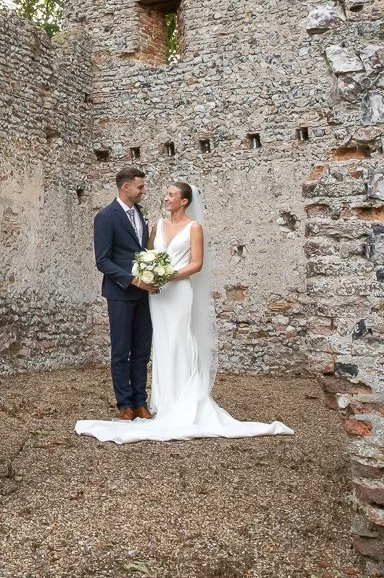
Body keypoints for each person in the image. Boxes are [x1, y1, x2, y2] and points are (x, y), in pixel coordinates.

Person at [77, 182, 294, 442]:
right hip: (156, 296)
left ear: (184, 201)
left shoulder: (194, 227)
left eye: (171, 195)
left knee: (180, 340)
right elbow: (145, 256)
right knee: (159, 344)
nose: (165, 197)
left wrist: (169, 275)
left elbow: (197, 264)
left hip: (178, 292)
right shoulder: (156, 225)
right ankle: (158, 402)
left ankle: (183, 400)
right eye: (165, 193)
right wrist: (148, 275)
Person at [91, 166, 153, 420]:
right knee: (121, 350)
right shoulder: (106, 217)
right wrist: (132, 280)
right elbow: (102, 261)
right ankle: (124, 405)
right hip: (120, 292)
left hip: (144, 293)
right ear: (125, 187)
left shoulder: (140, 214)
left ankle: (140, 401)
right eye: (140, 186)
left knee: (142, 349)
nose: (143, 191)